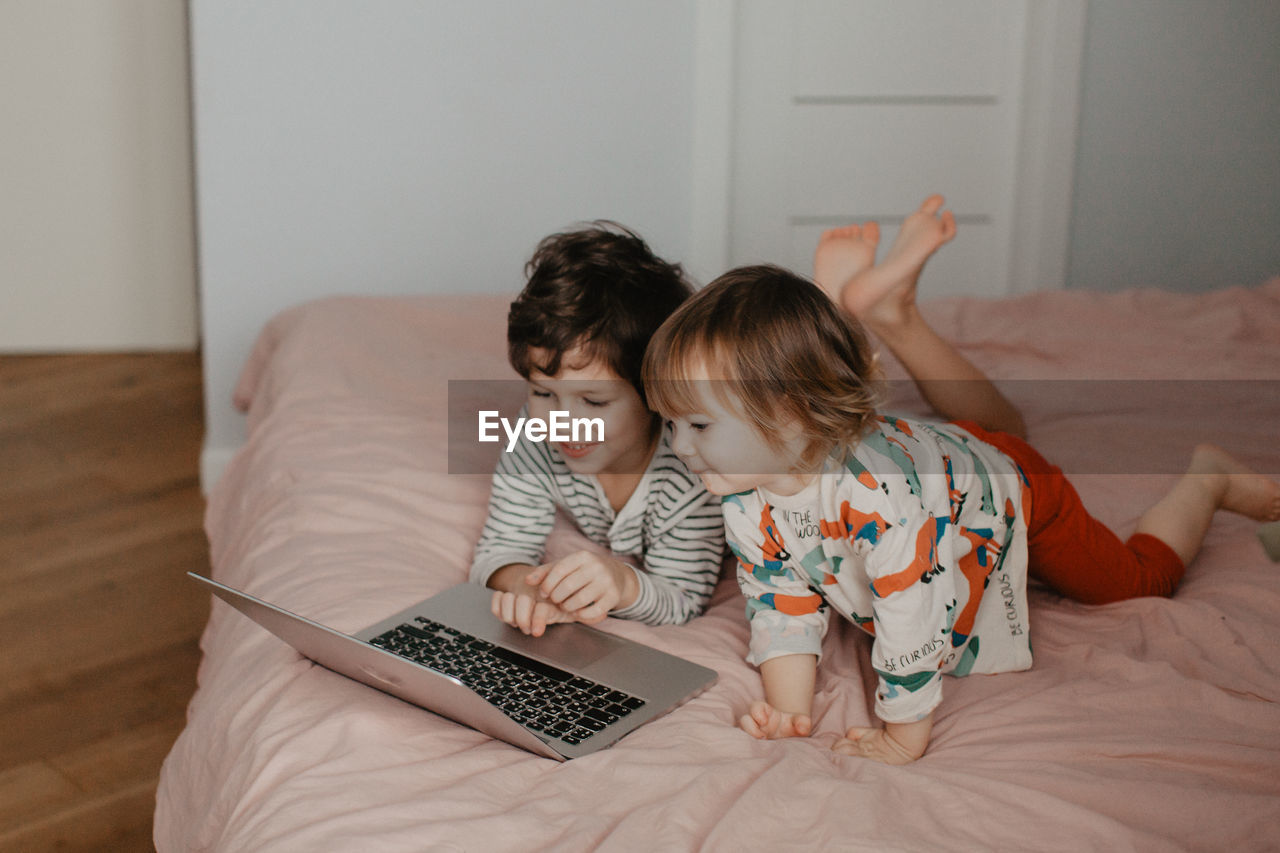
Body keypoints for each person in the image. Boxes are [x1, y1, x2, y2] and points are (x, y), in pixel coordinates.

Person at [641, 197, 1280, 764]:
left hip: (1012, 488)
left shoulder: (877, 501)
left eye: (697, 425)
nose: (678, 446)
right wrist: (789, 710)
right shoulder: (746, 489)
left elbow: (912, 619)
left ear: (787, 418)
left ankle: (1208, 477)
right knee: (995, 425)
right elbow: (779, 599)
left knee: (1135, 581)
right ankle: (869, 315)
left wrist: (901, 734)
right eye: (670, 424)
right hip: (945, 460)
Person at [470, 223, 725, 636]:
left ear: (655, 396)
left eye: (594, 401)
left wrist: (625, 585)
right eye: (543, 393)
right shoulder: (533, 437)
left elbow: (683, 598)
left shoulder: (694, 469)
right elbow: (499, 549)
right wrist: (527, 587)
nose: (561, 422)